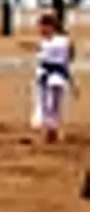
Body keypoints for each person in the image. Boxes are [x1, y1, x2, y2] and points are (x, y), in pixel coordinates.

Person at [31, 11, 75, 144]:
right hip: (44, 74)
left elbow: (68, 57)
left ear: (51, 26)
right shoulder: (45, 41)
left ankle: (52, 129)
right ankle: (50, 129)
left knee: (52, 103)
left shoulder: (61, 41)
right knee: (44, 103)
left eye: (43, 26)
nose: (40, 29)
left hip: (56, 74)